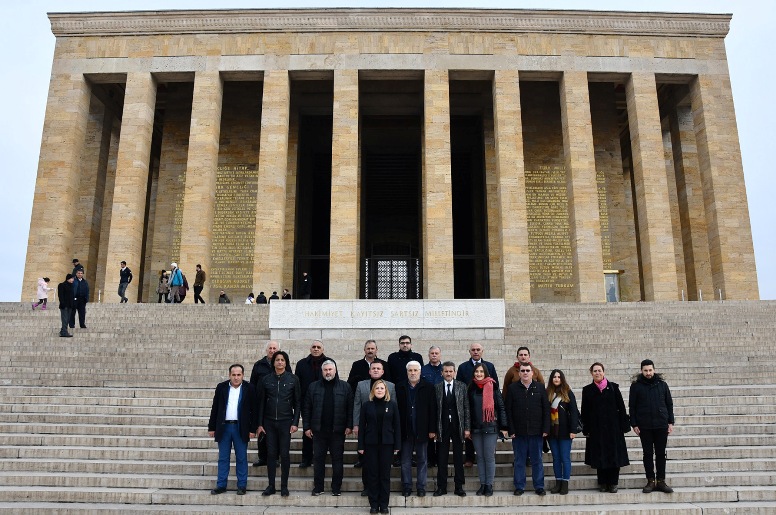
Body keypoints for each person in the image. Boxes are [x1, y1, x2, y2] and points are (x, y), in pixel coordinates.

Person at [302, 360, 353, 496]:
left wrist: (349, 425)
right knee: (318, 460)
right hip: (319, 431)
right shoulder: (313, 387)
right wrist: (306, 427)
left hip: (338, 431)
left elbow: (350, 409)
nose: (328, 372)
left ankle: (336, 488)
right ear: (322, 371)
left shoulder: (345, 387)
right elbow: (306, 408)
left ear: (335, 371)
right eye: (325, 370)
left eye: (330, 369)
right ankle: (318, 487)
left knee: (338, 460)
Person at [207, 364, 258, 496]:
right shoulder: (221, 387)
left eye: (238, 375)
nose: (236, 377)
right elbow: (215, 408)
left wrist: (253, 429)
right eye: (233, 375)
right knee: (223, 458)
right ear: (229, 375)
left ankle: (242, 485)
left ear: (242, 375)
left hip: (240, 428)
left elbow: (255, 410)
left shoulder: (249, 388)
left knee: (241, 457)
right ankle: (221, 484)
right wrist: (212, 427)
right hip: (224, 427)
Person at [257, 350, 301, 497]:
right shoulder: (266, 379)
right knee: (271, 454)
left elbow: (297, 403)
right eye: (277, 360)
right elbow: (261, 402)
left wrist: (295, 422)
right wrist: (260, 423)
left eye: (282, 360)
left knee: (285, 454)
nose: (280, 362)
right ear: (273, 362)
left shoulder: (293, 379)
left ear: (286, 362)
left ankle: (284, 486)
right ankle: (271, 485)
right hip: (269, 422)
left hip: (286, 422)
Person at [581, 362, 630, 493]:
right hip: (596, 429)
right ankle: (602, 482)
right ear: (591, 373)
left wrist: (624, 425)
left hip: (613, 429)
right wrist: (586, 428)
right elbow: (585, 411)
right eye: (595, 371)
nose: (597, 373)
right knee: (599, 456)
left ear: (604, 372)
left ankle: (613, 483)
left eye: (599, 370)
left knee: (614, 456)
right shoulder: (587, 390)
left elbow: (621, 407)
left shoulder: (613, 387)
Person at [629, 359, 675, 494]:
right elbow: (632, 406)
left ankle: (661, 481)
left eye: (650, 370)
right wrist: (634, 424)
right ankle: (650, 481)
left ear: (654, 370)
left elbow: (669, 404)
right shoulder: (636, 386)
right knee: (648, 454)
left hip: (661, 424)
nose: (648, 373)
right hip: (645, 426)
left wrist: (670, 422)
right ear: (641, 371)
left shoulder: (662, 384)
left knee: (661, 453)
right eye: (645, 370)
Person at [506, 362, 550, 496]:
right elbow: (508, 411)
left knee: (537, 460)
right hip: (518, 433)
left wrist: (545, 428)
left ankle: (539, 486)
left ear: (532, 373)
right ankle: (519, 486)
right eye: (523, 370)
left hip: (536, 431)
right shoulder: (512, 388)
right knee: (519, 461)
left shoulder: (540, 388)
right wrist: (511, 429)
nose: (525, 373)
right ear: (519, 373)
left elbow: (546, 410)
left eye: (527, 370)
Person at [357, 379, 401, 514]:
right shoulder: (367, 405)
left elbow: (397, 426)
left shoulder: (392, 405)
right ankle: (374, 505)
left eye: (382, 388)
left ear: (386, 390)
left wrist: (397, 444)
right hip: (370, 445)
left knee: (384, 476)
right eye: (377, 388)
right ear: (373, 391)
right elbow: (362, 428)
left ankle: (384, 505)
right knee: (373, 475)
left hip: (387, 445)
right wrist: (360, 445)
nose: (380, 390)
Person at [353, 362, 396, 492]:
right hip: (367, 429)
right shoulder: (361, 385)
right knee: (367, 462)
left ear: (383, 372)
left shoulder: (391, 386)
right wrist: (356, 424)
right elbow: (357, 404)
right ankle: (367, 486)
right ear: (369, 371)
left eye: (378, 368)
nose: (376, 370)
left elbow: (394, 407)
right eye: (373, 368)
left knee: (382, 466)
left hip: (384, 430)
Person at [396, 361, 436, 498]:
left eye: (415, 370)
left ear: (420, 372)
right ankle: (406, 486)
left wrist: (432, 429)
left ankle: (421, 487)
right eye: (410, 370)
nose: (413, 373)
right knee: (405, 460)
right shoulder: (399, 387)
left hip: (422, 430)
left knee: (422, 459)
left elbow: (433, 410)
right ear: (407, 372)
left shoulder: (429, 387)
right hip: (405, 430)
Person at [467, 363, 508, 496]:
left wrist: (504, 426)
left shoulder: (493, 386)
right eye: (476, 372)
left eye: (481, 372)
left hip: (491, 427)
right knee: (479, 457)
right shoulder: (471, 388)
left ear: (485, 373)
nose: (478, 374)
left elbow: (501, 407)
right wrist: (468, 427)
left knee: (489, 457)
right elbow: (467, 410)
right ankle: (483, 484)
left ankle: (489, 485)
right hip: (476, 428)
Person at [456, 342, 499, 467]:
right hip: (470, 403)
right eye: (473, 350)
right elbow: (459, 385)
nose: (475, 351)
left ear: (482, 351)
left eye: (478, 349)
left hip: (487, 405)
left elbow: (495, 384)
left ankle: (489, 457)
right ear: (469, 352)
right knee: (470, 433)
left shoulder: (489, 366)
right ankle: (469, 457)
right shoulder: (463, 367)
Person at [295, 340, 334, 468]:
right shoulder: (301, 364)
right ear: (310, 349)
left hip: (325, 401)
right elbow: (297, 384)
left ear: (323, 349)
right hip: (307, 402)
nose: (316, 349)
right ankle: (306, 458)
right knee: (307, 430)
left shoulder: (329, 363)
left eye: (318, 347)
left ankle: (324, 456)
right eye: (314, 347)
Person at [433, 361, 469, 497]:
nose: (448, 374)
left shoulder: (462, 386)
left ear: (454, 373)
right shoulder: (436, 387)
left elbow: (466, 408)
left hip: (457, 426)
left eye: (450, 371)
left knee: (458, 458)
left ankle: (459, 486)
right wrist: (435, 428)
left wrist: (467, 428)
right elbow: (435, 409)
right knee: (441, 458)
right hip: (442, 427)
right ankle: (441, 487)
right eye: (446, 371)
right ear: (442, 373)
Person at [546, 369, 581, 495]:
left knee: (565, 458)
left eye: (559, 377)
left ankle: (565, 483)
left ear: (562, 379)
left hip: (566, 431)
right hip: (552, 431)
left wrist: (573, 430)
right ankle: (558, 482)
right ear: (551, 379)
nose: (556, 379)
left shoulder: (567, 392)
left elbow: (574, 412)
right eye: (554, 377)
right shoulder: (548, 393)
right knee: (556, 458)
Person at [249, 341, 280, 467]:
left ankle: (275, 458)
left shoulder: (282, 363)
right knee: (261, 430)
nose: (272, 350)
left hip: (276, 403)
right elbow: (252, 384)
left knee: (275, 432)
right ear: (266, 350)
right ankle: (262, 457)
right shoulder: (258, 365)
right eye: (270, 348)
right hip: (261, 403)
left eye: (274, 348)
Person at [420, 345, 444, 467]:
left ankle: (440, 458)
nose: (434, 355)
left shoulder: (445, 370)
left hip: (442, 405)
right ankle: (430, 459)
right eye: (432, 353)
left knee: (440, 433)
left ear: (440, 355)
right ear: (428, 355)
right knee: (429, 433)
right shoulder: (423, 370)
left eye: (436, 353)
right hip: (427, 406)